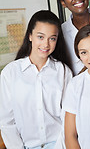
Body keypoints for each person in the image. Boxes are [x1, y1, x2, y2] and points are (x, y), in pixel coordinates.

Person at [0, 10, 72, 149]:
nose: (46, 44)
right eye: (41, 37)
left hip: (59, 144)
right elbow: (7, 121)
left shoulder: (63, 72)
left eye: (52, 38)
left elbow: (68, 117)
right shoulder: (11, 73)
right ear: (30, 36)